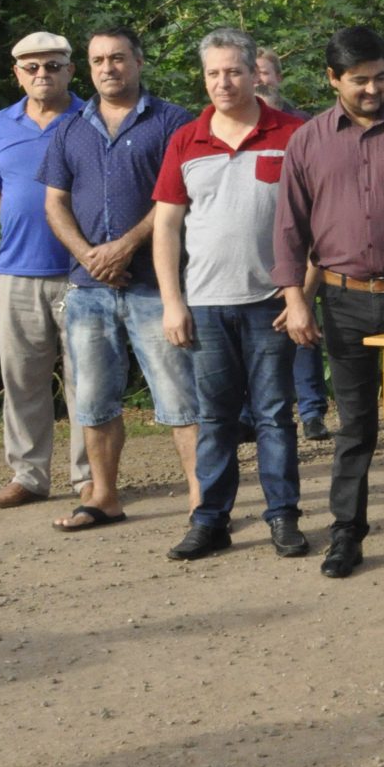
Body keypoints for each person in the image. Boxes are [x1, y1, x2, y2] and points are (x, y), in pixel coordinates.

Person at [272, 26, 384, 581]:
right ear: (333, 79)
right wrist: (295, 299)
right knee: (354, 427)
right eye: (360, 81)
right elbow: (289, 227)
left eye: (380, 77)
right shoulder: (307, 141)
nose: (373, 89)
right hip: (343, 302)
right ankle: (346, 535)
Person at [151, 29, 308, 560]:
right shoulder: (186, 140)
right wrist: (173, 302)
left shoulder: (293, 133)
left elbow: (316, 221)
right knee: (215, 419)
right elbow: (166, 227)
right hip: (206, 304)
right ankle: (210, 521)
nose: (223, 82)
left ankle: (283, 518)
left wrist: (300, 295)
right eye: (213, 73)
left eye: (234, 71)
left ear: (253, 74)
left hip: (272, 303)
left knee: (274, 417)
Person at [41, 28, 200, 531]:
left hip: (157, 285)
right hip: (88, 289)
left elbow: (179, 197)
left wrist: (125, 246)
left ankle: (203, 501)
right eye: (98, 60)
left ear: (139, 61)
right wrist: (88, 256)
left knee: (180, 397)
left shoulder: (173, 122)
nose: (108, 68)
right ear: (87, 68)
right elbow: (55, 203)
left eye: (117, 58)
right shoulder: (70, 128)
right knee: (92, 400)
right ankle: (104, 497)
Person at [0, 32, 89, 508]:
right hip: (16, 271)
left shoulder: (90, 119)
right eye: (31, 67)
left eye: (52, 65)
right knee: (22, 379)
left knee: (87, 380)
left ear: (70, 70)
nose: (42, 74)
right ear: (17, 74)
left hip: (81, 271)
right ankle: (28, 475)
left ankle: (89, 476)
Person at [252, 45, 329, 442]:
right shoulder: (232, 128)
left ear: (278, 77)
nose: (259, 80)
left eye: (265, 72)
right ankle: (253, 415)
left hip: (303, 247)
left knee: (303, 328)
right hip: (256, 252)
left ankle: (313, 411)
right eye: (252, 73)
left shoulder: (304, 127)